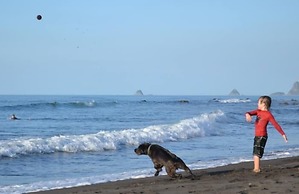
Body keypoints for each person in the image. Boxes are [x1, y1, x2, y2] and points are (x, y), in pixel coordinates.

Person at [245, 96, 288, 173]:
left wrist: (283, 134)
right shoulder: (258, 111)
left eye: (259, 103)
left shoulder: (268, 115)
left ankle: (257, 169)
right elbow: (249, 112)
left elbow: (275, 124)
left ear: (264, 104)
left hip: (262, 136)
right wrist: (247, 115)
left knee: (256, 152)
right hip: (257, 135)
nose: (257, 104)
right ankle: (256, 168)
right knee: (256, 152)